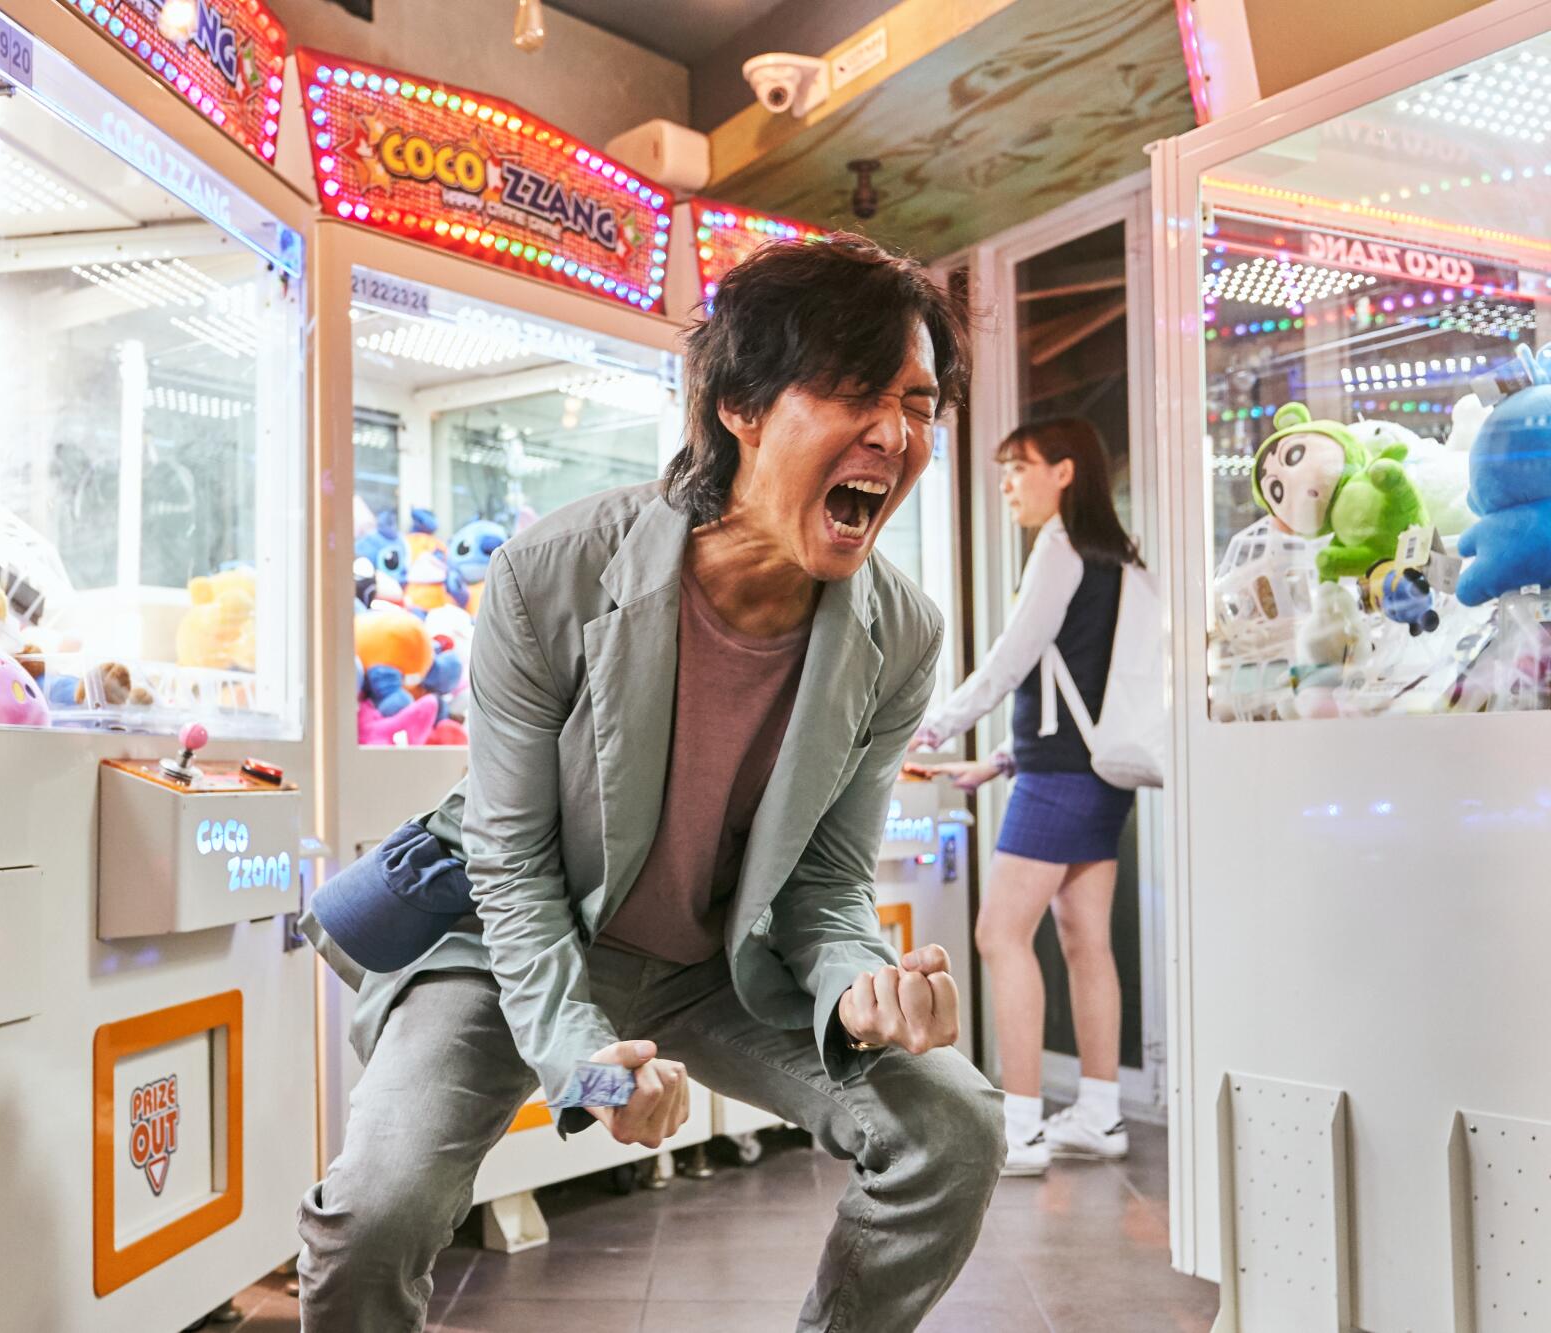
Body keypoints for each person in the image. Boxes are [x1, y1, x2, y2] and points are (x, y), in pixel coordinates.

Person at [297, 235, 1006, 1332]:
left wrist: (860, 982)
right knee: (375, 1211)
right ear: (739, 405)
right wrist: (584, 1066)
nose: (894, 434)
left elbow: (824, 882)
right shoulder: (553, 572)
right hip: (502, 944)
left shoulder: (900, 633)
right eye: (853, 391)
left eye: (917, 403)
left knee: (951, 1124)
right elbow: (511, 860)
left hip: (714, 968)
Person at [910, 418, 1143, 1178]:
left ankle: (1020, 1126)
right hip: (1096, 773)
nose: (1008, 483)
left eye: (1020, 467)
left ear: (1066, 472)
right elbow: (1077, 684)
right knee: (1084, 939)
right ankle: (1101, 1113)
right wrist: (1001, 759)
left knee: (998, 933)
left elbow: (1013, 659)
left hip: (1060, 778)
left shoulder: (1059, 547)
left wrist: (937, 726)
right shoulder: (1121, 558)